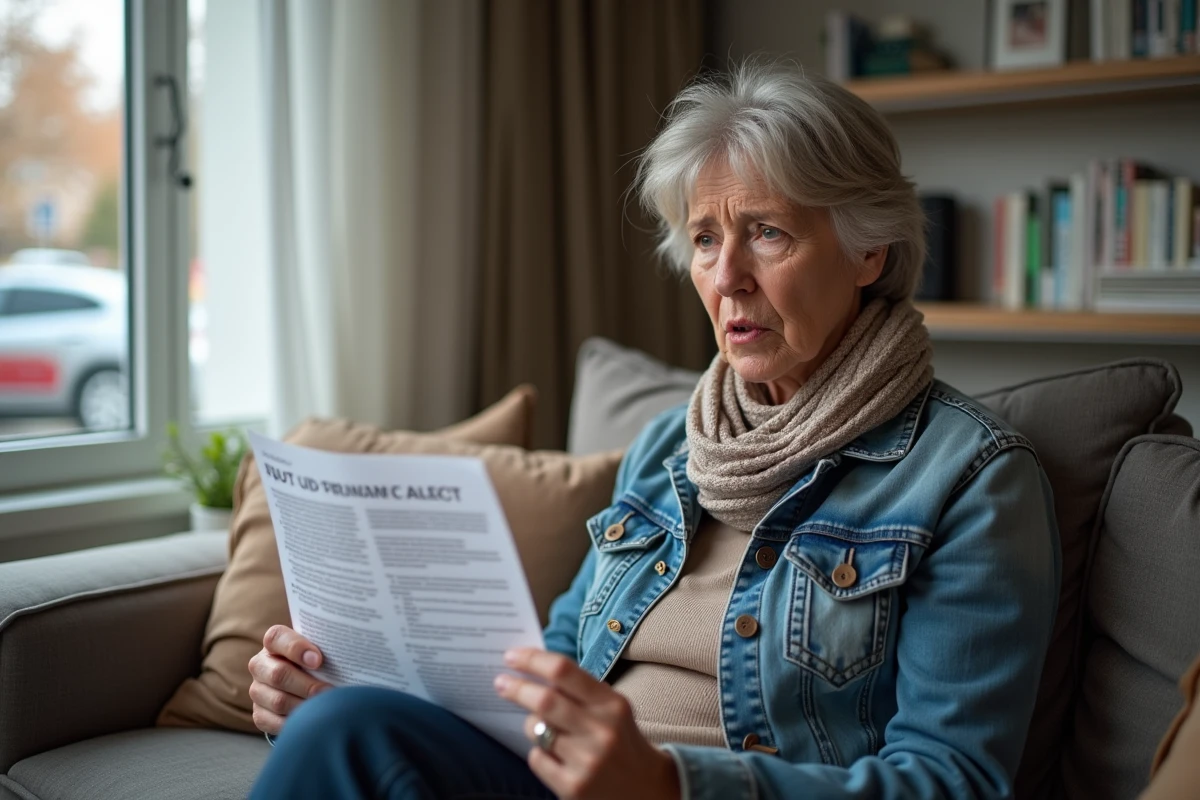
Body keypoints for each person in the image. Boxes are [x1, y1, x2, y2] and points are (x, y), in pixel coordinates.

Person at [248, 62, 1060, 800]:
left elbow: (952, 782)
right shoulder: (668, 448)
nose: (727, 276)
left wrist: (671, 783)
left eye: (767, 232)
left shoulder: (970, 477)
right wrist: (357, 686)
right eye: (705, 239)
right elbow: (556, 660)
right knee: (338, 727)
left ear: (869, 252)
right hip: (553, 785)